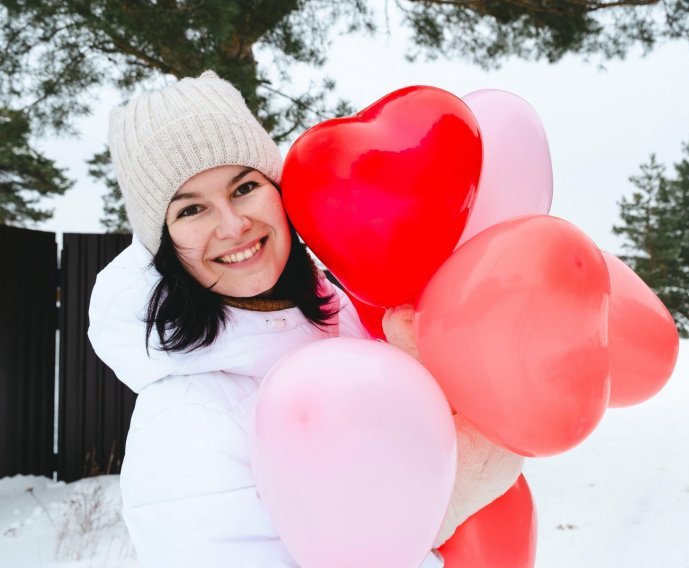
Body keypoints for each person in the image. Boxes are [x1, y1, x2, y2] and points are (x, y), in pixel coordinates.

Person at [88, 71, 522, 567]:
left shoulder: (350, 324)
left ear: (279, 190)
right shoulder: (183, 419)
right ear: (164, 245)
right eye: (191, 211)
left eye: (244, 187)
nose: (233, 226)